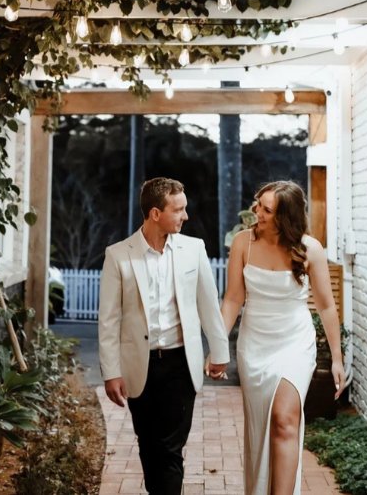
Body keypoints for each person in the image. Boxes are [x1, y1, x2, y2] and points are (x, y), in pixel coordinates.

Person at [98, 177, 231, 495]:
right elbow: (108, 320)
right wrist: (111, 372)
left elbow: (208, 304)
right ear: (155, 213)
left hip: (180, 364)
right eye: (178, 209)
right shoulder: (118, 255)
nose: (186, 216)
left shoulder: (193, 249)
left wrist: (220, 353)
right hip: (139, 366)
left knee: (170, 449)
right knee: (148, 445)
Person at [218, 180, 346, 495]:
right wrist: (218, 347)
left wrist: (337, 359)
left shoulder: (310, 249)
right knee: (262, 424)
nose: (257, 213)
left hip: (294, 343)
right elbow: (233, 299)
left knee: (284, 419)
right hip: (254, 345)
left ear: (285, 217)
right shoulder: (243, 243)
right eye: (258, 205)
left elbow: (326, 306)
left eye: (266, 210)